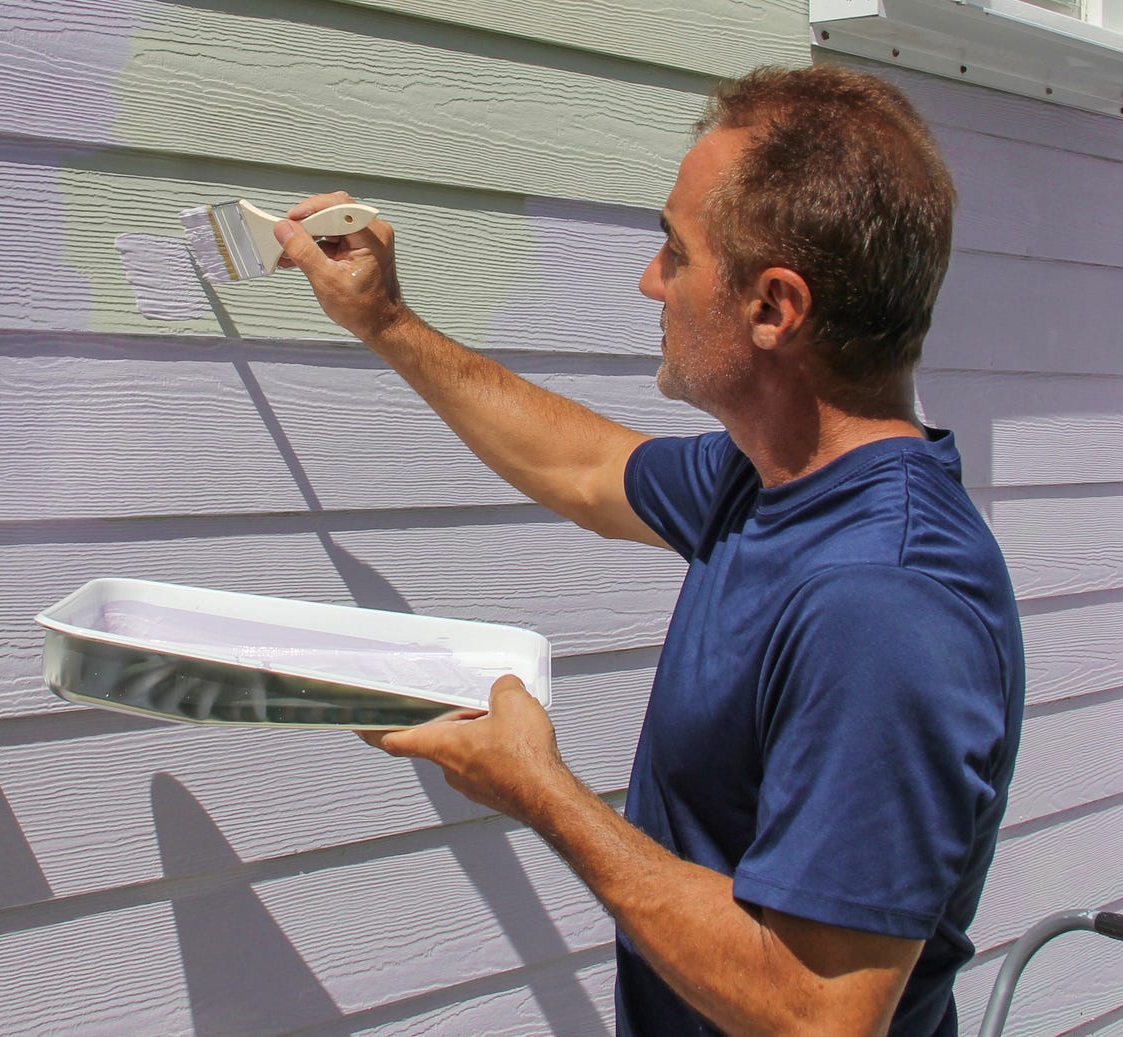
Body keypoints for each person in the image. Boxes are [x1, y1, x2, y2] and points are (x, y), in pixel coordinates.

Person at [271, 65, 1023, 1037]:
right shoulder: (768, 481)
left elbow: (817, 1013)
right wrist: (384, 320)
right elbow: (586, 469)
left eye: (675, 250)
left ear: (771, 307)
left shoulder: (881, 600)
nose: (649, 278)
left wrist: (544, 793)